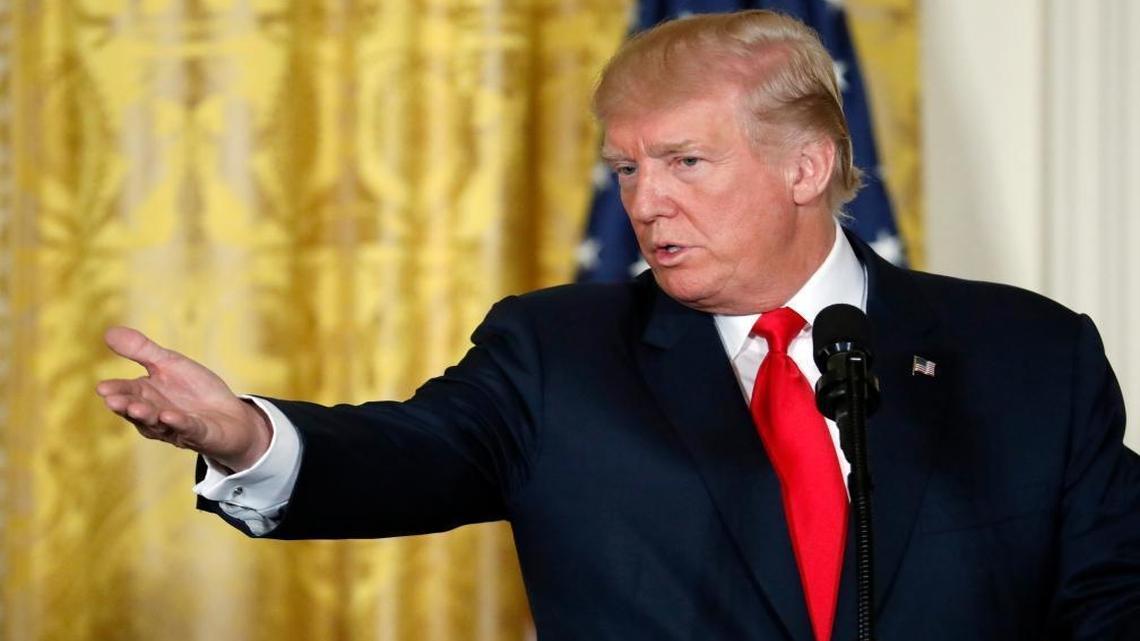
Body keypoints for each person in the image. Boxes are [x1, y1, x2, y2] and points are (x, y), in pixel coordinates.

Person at [96, 10, 1140, 641]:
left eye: (686, 161)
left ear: (806, 165)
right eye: (626, 169)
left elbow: (1112, 595)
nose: (647, 202)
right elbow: (408, 454)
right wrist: (247, 436)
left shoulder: (1028, 356)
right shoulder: (559, 355)